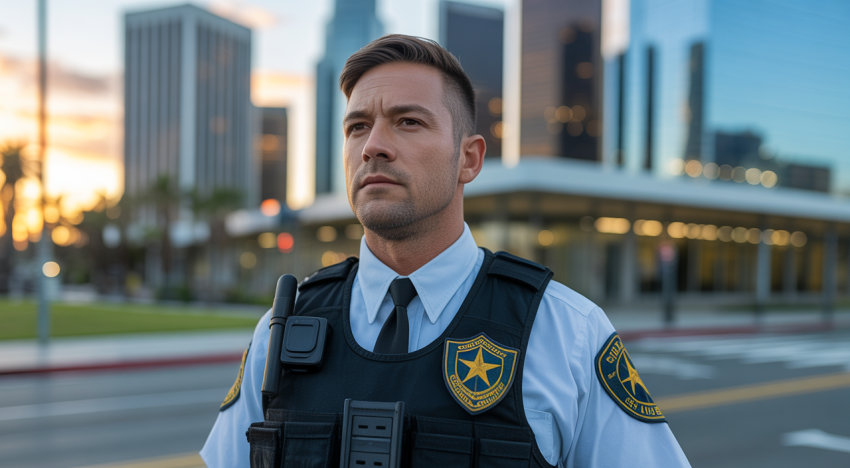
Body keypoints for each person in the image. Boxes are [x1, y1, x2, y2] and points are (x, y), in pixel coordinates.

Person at [201, 34, 691, 468]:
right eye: (356, 127)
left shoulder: (565, 333)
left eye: (408, 122)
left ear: (469, 158)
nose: (373, 145)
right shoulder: (282, 332)